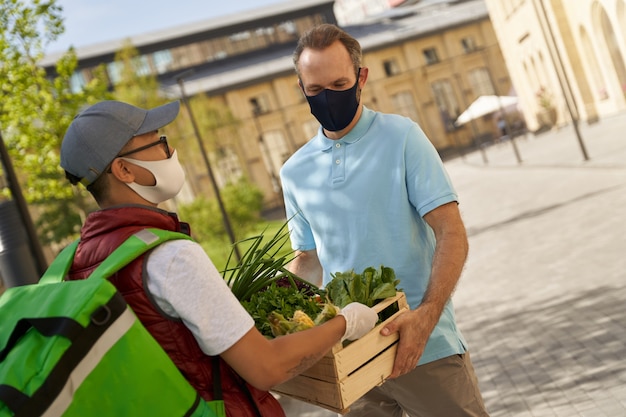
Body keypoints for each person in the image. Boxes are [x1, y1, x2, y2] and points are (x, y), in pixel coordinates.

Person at [60, 99, 379, 417]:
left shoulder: (76, 264)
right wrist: (344, 323)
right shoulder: (170, 257)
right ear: (124, 169)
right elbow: (267, 367)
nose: (169, 152)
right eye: (159, 142)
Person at [280, 24, 489, 416]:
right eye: (314, 90)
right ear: (301, 88)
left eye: (339, 83)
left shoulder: (402, 137)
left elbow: (450, 231)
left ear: (361, 78)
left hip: (424, 346)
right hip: (350, 360)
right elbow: (307, 261)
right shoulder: (294, 172)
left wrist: (427, 317)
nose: (327, 97)